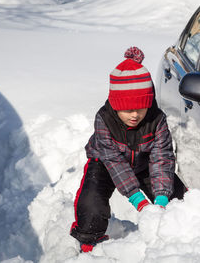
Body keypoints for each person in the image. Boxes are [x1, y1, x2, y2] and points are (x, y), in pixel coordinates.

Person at [70, 47, 187, 253]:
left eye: (141, 108)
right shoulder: (104, 120)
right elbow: (115, 162)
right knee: (91, 204)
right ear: (116, 105)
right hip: (105, 164)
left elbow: (162, 158)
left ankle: (182, 237)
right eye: (127, 109)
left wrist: (161, 198)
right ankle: (89, 243)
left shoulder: (156, 120)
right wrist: (138, 200)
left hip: (144, 162)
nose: (135, 115)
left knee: (179, 200)